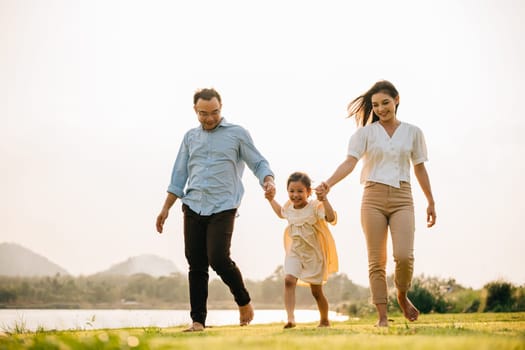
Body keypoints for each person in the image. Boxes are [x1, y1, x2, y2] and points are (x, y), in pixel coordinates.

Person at [315, 80, 436, 327]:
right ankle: (382, 317)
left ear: (397, 100)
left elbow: (420, 167)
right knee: (376, 260)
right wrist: (328, 183)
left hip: (403, 197)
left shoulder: (413, 132)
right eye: (376, 105)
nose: (381, 109)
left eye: (385, 103)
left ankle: (402, 295)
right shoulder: (364, 134)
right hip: (372, 197)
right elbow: (349, 163)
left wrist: (430, 201)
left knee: (403, 256)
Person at [156, 88, 276, 332]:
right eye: (203, 114)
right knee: (196, 264)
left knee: (219, 258)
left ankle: (244, 301)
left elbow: (258, 162)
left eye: (214, 112)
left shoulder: (237, 134)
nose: (209, 118)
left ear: (221, 108)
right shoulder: (190, 137)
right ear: (195, 111)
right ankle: (198, 321)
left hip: (224, 205)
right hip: (193, 204)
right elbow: (179, 176)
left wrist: (268, 180)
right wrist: (166, 208)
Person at [265, 171, 338, 328]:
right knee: (288, 280)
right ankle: (290, 319)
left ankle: (325, 320)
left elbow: (331, 218)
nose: (295, 195)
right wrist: (271, 200)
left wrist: (324, 199)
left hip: (314, 255)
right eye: (291, 191)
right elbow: (281, 213)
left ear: (308, 192)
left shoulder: (314, 207)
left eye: (300, 191)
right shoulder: (289, 207)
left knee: (316, 292)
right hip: (295, 252)